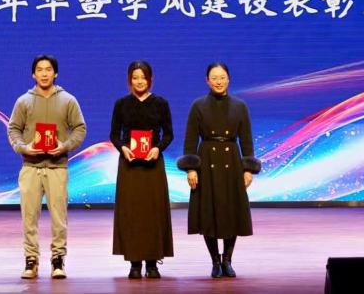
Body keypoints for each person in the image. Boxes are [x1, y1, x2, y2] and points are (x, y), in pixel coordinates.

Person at [177, 62, 261, 278]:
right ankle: (215, 261)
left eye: (222, 77)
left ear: (228, 79)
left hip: (232, 161)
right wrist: (191, 169)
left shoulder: (240, 106)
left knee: (232, 212)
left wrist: (248, 169)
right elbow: (190, 140)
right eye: (214, 78)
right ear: (207, 81)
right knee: (208, 212)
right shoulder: (198, 106)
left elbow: (247, 140)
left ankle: (228, 260)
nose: (218, 81)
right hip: (207, 161)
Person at [7, 54, 87, 280]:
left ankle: (58, 260)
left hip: (57, 168)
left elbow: (80, 128)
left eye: (48, 69)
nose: (44, 73)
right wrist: (24, 147)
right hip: (30, 168)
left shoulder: (68, 100)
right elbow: (13, 129)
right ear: (33, 74)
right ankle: (31, 260)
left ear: (55, 73)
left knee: (59, 218)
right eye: (40, 70)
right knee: (29, 217)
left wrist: (65, 146)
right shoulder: (23, 101)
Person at [109, 60, 175, 279]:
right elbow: (114, 134)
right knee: (132, 213)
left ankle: (152, 263)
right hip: (129, 165)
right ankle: (134, 263)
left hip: (153, 165)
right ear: (129, 80)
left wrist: (157, 148)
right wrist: (123, 148)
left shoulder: (160, 103)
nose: (139, 81)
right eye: (135, 77)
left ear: (150, 79)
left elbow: (169, 134)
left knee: (153, 213)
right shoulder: (121, 104)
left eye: (143, 77)